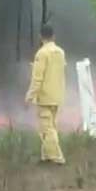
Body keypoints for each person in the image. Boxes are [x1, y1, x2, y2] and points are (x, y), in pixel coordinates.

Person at [26, 24, 67, 165]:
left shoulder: (42, 54)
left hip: (45, 97)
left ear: (40, 36)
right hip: (57, 96)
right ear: (53, 36)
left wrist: (29, 96)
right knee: (49, 126)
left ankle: (57, 157)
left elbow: (37, 79)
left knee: (47, 128)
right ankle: (46, 156)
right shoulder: (60, 52)